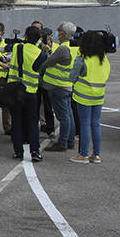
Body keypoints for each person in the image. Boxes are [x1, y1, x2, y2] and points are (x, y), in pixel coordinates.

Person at [7, 26, 48, 162]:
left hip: (15, 90)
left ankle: (18, 151)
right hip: (31, 92)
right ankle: (35, 151)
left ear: (25, 36)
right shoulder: (41, 54)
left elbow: (7, 48)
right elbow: (40, 69)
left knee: (17, 121)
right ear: (39, 39)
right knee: (32, 122)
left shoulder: (17, 47)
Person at [69, 31, 111, 164]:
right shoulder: (103, 58)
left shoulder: (82, 58)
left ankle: (83, 154)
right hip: (99, 95)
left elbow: (72, 76)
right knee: (96, 124)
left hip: (83, 95)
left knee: (85, 124)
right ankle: (96, 154)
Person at [39, 22, 78, 152]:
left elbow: (48, 62)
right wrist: (50, 50)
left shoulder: (63, 48)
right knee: (69, 114)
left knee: (63, 117)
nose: (57, 32)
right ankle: (70, 140)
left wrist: (46, 53)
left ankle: (62, 142)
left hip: (57, 86)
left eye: (58, 30)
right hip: (67, 85)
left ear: (64, 33)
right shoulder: (73, 47)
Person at [32, 20, 56, 136]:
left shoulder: (56, 47)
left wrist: (49, 50)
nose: (44, 39)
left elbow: (55, 61)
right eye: (42, 37)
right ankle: (34, 127)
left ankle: (50, 128)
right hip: (37, 79)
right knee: (35, 105)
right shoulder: (36, 46)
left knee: (48, 106)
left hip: (48, 81)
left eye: (46, 37)